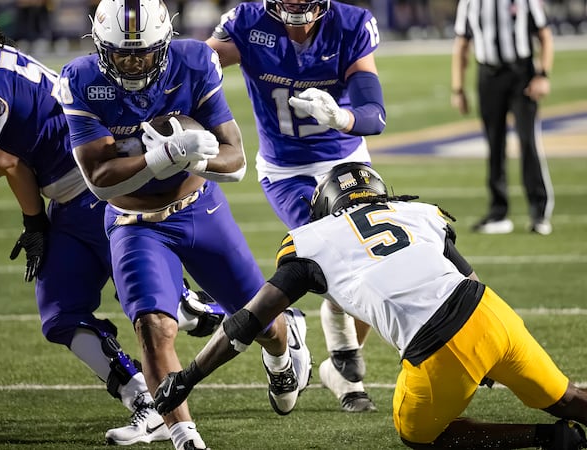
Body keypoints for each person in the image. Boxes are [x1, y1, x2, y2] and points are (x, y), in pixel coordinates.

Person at [0, 7, 225, 447]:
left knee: (158, 311)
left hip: (96, 192)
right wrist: (34, 219)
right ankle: (144, 396)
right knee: (60, 312)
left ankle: (250, 316)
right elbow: (5, 158)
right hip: (71, 198)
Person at [154, 162, 587, 449]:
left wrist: (189, 376)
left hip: (439, 347)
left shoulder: (312, 242)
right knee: (566, 397)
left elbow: (247, 322)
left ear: (325, 208)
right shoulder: (417, 214)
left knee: (418, 437)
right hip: (492, 313)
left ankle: (548, 439)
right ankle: (560, 424)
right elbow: (469, 279)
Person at [59, 1, 312, 448]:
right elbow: (99, 182)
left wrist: (200, 155)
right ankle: (183, 436)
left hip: (198, 208)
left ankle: (282, 351)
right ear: (100, 47)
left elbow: (234, 162)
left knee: (264, 324)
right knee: (154, 326)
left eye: (144, 52)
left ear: (165, 43)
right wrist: (163, 157)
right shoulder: (80, 79)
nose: (133, 63)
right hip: (134, 222)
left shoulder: (194, 61)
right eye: (121, 53)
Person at [205, 0, 386, 412]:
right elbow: (195, 69)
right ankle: (339, 344)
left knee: (373, 259)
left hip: (347, 160)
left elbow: (374, 115)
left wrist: (340, 118)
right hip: (286, 170)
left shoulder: (350, 24)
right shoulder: (248, 23)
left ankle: (338, 370)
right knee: (333, 247)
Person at [451, 0, 555, 235]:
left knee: (528, 141)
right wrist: (458, 89)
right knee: (494, 142)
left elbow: (545, 35)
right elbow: (461, 44)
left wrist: (543, 75)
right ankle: (498, 212)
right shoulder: (470, 2)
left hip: (521, 74)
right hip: (488, 74)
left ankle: (539, 212)